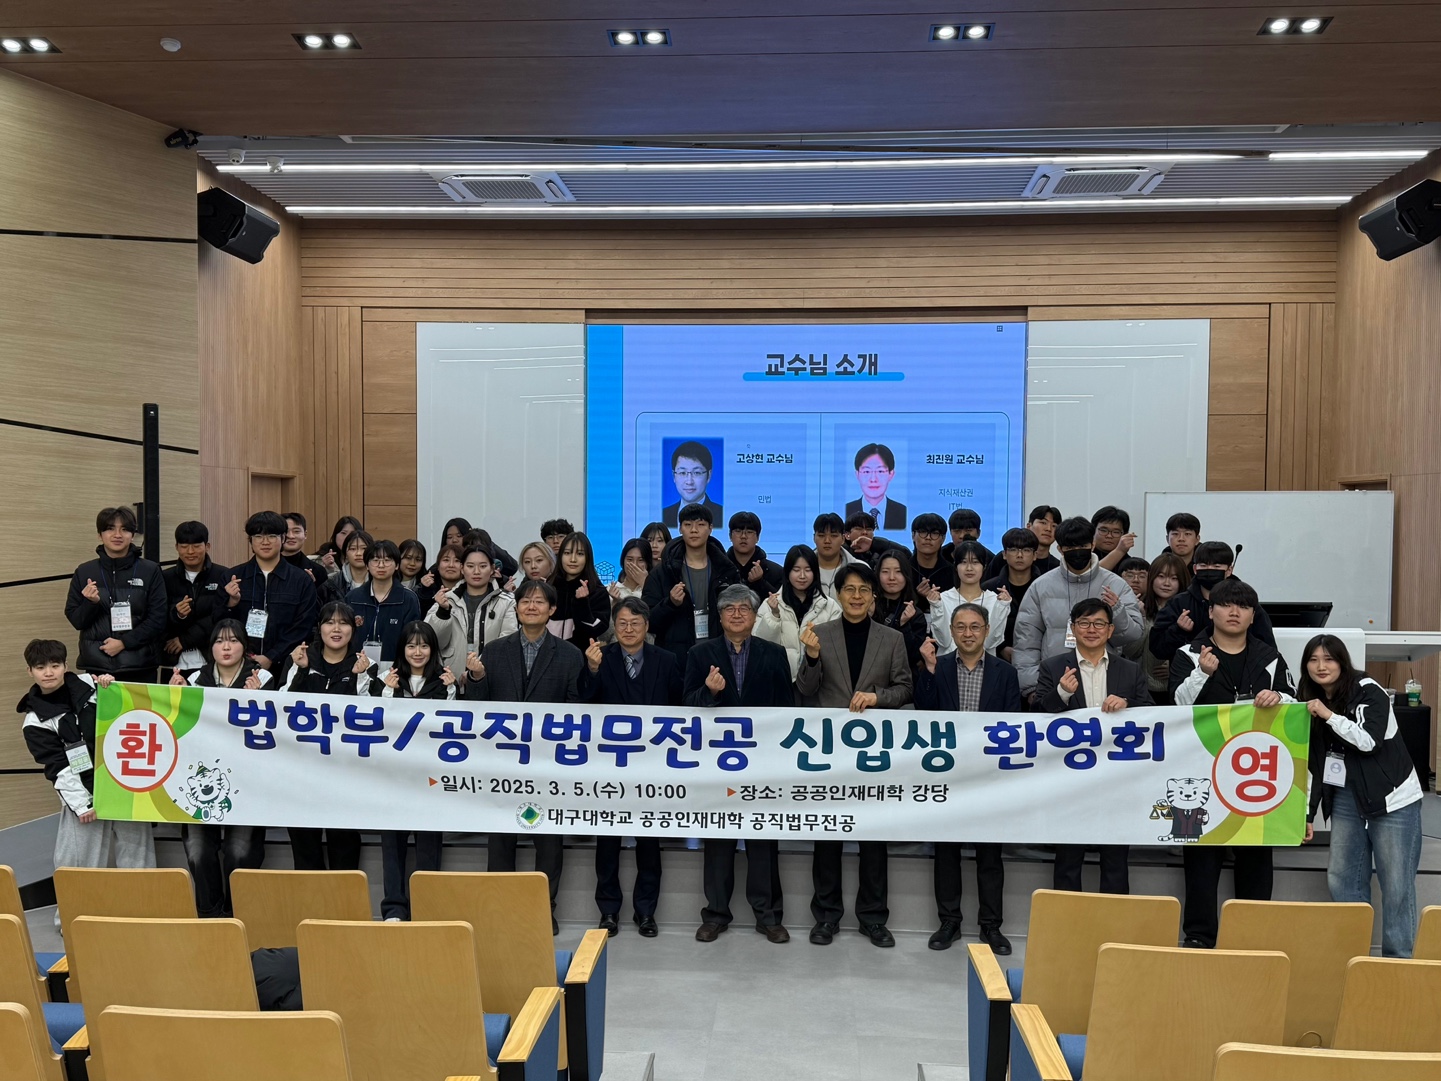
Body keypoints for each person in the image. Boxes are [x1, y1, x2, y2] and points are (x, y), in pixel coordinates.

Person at [1169, 577, 1294, 949]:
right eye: (1225, 605)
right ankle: (1198, 935)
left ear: (1254, 615)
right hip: (1199, 769)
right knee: (1201, 855)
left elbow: (1295, 704)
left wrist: (1279, 698)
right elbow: (1175, 708)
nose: (1234, 612)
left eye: (1243, 606)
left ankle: (1251, 937)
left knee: (1256, 854)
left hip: (1255, 774)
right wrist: (1201, 674)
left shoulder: (1270, 657)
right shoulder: (1189, 653)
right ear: (1211, 612)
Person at [795, 562, 913, 947]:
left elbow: (905, 689)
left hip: (873, 756)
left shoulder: (892, 639)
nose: (857, 596)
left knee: (873, 840)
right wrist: (812, 657)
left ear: (873, 596)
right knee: (827, 838)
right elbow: (805, 690)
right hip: (830, 754)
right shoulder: (819, 634)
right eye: (850, 589)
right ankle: (826, 917)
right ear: (838, 595)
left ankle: (873, 918)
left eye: (864, 589)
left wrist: (878, 698)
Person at [461, 578, 584, 932]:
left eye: (539, 602)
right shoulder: (495, 651)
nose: (531, 606)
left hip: (549, 765)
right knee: (501, 838)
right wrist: (476, 678)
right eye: (525, 601)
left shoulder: (570, 655)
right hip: (504, 763)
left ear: (552, 610)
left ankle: (543, 909)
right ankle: (501, 908)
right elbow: (478, 710)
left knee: (549, 840)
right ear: (516, 608)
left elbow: (576, 710)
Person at [683, 584, 794, 944]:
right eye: (729, 609)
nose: (736, 614)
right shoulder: (700, 653)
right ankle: (716, 914)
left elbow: (787, 710)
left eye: (743, 608)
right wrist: (710, 692)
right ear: (719, 616)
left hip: (762, 764)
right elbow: (686, 707)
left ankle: (768, 916)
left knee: (762, 841)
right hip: (717, 765)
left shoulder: (774, 654)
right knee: (719, 840)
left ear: (754, 615)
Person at [1301, 635, 1423, 957]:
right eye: (1313, 659)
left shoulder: (1368, 689)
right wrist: (1307, 814)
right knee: (1342, 880)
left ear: (1343, 661)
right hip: (1346, 797)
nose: (1321, 666)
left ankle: (1398, 964)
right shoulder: (1310, 698)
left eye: (1329, 659)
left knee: (1396, 886)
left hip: (1393, 798)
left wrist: (1329, 716)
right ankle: (1354, 958)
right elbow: (1313, 762)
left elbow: (1369, 741)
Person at [914, 604, 1022, 953]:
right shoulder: (939, 665)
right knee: (946, 851)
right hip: (948, 775)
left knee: (990, 854)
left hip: (989, 776)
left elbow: (1013, 724)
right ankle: (949, 921)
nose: (968, 633)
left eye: (975, 627)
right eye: (960, 627)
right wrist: (929, 671)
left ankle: (991, 925)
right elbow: (922, 714)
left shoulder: (1006, 673)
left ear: (987, 630)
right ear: (951, 631)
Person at [1035, 599, 1152, 895]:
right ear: (1073, 629)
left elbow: (1152, 714)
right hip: (1069, 779)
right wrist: (1062, 693)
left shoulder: (1130, 670)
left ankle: (1113, 920)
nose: (1092, 629)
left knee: (1115, 861)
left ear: (1110, 630)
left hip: (1117, 779)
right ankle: (1065, 918)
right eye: (1084, 623)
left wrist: (1128, 704)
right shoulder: (1053, 667)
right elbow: (1036, 716)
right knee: (1067, 860)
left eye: (1099, 623)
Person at [583, 597, 682, 937]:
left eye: (635, 623)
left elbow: (681, 709)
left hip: (653, 767)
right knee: (607, 842)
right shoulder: (601, 657)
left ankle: (646, 912)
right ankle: (608, 911)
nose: (628, 629)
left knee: (649, 842)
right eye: (622, 623)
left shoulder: (666, 660)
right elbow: (583, 703)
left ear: (647, 626)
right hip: (609, 765)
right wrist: (591, 670)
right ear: (614, 626)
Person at [21, 639, 154, 874]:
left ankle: (143, 900)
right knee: (78, 867)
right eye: (40, 668)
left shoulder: (91, 685)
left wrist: (113, 687)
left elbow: (129, 716)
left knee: (138, 862)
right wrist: (82, 805)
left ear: (65, 666)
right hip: (84, 795)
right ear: (30, 671)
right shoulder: (34, 721)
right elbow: (57, 767)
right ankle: (76, 904)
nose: (49, 673)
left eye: (55, 665)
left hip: (124, 785)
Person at [167, 619, 269, 916]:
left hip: (247, 781)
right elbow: (178, 726)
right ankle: (210, 917)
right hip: (201, 779)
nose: (226, 647)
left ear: (244, 647)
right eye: (219, 641)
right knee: (197, 851)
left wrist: (260, 699)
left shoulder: (263, 678)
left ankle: (238, 916)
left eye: (233, 640)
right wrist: (175, 696)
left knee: (240, 852)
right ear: (210, 647)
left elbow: (275, 730)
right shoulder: (194, 679)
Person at [285, 602, 378, 870]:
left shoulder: (366, 665)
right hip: (303, 768)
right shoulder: (300, 658)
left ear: (353, 630)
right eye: (329, 622)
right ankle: (309, 897)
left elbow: (373, 716)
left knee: (343, 839)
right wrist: (302, 670)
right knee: (304, 840)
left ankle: (344, 896)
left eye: (343, 623)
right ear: (320, 628)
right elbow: (282, 709)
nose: (336, 629)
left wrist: (360, 677)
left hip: (346, 768)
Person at [377, 621, 456, 921]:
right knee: (392, 846)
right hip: (393, 780)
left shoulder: (445, 683)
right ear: (402, 649)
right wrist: (387, 692)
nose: (418, 652)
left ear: (433, 650)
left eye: (424, 645)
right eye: (411, 646)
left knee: (428, 847)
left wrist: (453, 690)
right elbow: (376, 725)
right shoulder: (386, 681)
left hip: (430, 780)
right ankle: (393, 909)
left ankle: (425, 908)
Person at [1012, 517, 1143, 697]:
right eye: (1070, 548)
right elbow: (1026, 642)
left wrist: (1117, 610)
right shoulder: (1041, 586)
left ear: (1092, 545)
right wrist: (1032, 687)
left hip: (1104, 681)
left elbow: (1134, 635)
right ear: (1060, 549)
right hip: (1054, 682)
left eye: (1082, 546)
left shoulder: (1115, 584)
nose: (1077, 552)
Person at [65, 505, 169, 683]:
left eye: (125, 529)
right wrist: (91, 603)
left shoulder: (150, 570)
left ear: (133, 535)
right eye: (110, 529)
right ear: (100, 535)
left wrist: (124, 643)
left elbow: (158, 619)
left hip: (140, 666)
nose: (117, 535)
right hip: (97, 666)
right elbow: (76, 620)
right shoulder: (85, 571)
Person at [641, 504, 740, 667]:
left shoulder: (726, 571)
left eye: (700, 525)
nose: (694, 530)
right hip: (676, 660)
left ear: (711, 528)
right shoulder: (662, 573)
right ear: (680, 529)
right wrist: (670, 604)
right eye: (688, 525)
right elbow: (647, 622)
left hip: (719, 657)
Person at [227, 511, 320, 676]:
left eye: (271, 536)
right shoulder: (234, 577)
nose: (265, 542)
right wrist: (230, 604)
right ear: (250, 541)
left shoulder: (301, 580)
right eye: (258, 536)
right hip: (240, 664)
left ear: (283, 538)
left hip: (287, 665)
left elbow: (304, 626)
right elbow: (219, 622)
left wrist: (272, 656)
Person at [1150, 541, 1275, 663]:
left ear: (1229, 570)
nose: (1209, 570)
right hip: (1189, 673)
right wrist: (1178, 630)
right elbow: (1157, 649)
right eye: (1203, 566)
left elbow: (1267, 650)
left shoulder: (1246, 604)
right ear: (1195, 569)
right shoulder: (1179, 603)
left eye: (1216, 567)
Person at [426, 543, 517, 674]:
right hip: (450, 676)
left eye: (483, 566)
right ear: (462, 569)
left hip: (490, 675)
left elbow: (508, 642)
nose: (476, 572)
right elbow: (432, 641)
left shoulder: (506, 602)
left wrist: (476, 670)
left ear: (492, 569)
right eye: (470, 566)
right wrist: (443, 612)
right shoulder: (447, 599)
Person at [756, 544, 843, 679]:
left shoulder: (830, 607)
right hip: (779, 680)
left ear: (815, 572)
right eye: (796, 570)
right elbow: (759, 645)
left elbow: (837, 649)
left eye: (808, 570)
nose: (802, 576)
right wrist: (774, 616)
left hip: (818, 681)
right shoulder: (770, 604)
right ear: (787, 572)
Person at [162, 520, 230, 678]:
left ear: (207, 546)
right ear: (176, 547)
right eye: (184, 546)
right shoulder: (164, 577)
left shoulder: (223, 575)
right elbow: (157, 616)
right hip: (172, 660)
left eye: (197, 546)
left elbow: (221, 616)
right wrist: (177, 614)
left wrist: (185, 640)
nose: (190, 551)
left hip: (212, 658)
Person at [346, 539, 423, 668]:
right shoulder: (353, 598)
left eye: (387, 560)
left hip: (395, 668)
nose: (381, 565)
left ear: (397, 565)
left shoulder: (408, 599)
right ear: (367, 565)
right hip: (357, 666)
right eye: (375, 560)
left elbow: (412, 639)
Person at [925, 540, 1006, 657]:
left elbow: (990, 643)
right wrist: (936, 606)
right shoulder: (943, 599)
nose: (969, 568)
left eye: (975, 562)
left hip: (984, 665)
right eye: (963, 562)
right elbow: (943, 641)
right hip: (948, 664)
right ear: (956, 566)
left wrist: (1002, 607)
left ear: (984, 566)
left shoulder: (996, 600)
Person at [981, 527, 1040, 665]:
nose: (1019, 555)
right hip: (996, 659)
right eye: (1013, 550)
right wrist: (1001, 647)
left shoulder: (1044, 586)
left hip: (1037, 658)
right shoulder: (989, 589)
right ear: (1004, 554)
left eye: (1026, 550)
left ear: (1035, 555)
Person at [1138, 553, 1190, 701]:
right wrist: (1141, 617)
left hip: (1175, 687)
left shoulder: (1188, 611)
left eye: (1174, 578)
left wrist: (1176, 665)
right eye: (1161, 576)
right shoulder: (1139, 606)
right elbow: (1130, 650)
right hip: (1141, 686)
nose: (1167, 583)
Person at [547, 532, 610, 652]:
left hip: (581, 657)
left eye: (580, 554)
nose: (573, 559)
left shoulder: (597, 591)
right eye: (567, 553)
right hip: (547, 655)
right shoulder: (549, 587)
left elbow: (597, 628)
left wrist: (581, 603)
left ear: (588, 558)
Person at [874, 550, 930, 670]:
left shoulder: (915, 613)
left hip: (901, 676)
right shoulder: (868, 607)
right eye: (885, 571)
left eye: (898, 571)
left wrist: (904, 626)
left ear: (906, 575)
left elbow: (914, 657)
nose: (892, 577)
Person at [984, 505, 1061, 579]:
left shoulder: (1058, 567)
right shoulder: (1005, 558)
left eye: (1054, 526)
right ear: (1029, 526)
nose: (1048, 529)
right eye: (1043, 523)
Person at [283, 512, 338, 608]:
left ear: (305, 534)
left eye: (296, 531)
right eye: (286, 531)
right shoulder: (268, 568)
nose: (291, 536)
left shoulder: (318, 571)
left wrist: (310, 587)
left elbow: (324, 607)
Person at [662, 442, 723, 528]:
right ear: (674, 476)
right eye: (682, 473)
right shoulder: (664, 515)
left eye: (697, 473)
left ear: (709, 475)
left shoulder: (722, 515)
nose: (689, 481)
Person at [845, 443, 906, 528]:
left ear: (891, 474)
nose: (873, 479)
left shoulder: (903, 512)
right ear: (857, 474)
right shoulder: (846, 511)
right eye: (866, 471)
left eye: (880, 471)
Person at [727, 512, 783, 599]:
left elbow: (781, 604)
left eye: (749, 532)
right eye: (738, 531)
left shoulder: (777, 572)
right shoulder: (719, 568)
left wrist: (760, 582)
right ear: (730, 536)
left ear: (757, 537)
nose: (743, 536)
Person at [811, 512, 863, 598]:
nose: (827, 541)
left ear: (843, 539)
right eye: (821, 535)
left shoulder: (860, 569)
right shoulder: (802, 570)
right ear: (814, 538)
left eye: (834, 536)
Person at [909, 513, 956, 594]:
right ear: (913, 536)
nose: (928, 538)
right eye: (923, 532)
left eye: (934, 533)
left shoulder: (953, 573)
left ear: (943, 539)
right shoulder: (904, 570)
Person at [415, 543, 464, 614]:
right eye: (446, 560)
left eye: (457, 561)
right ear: (438, 566)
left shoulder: (470, 590)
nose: (451, 565)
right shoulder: (424, 589)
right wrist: (424, 591)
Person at [327, 529, 372, 597]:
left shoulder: (381, 581)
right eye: (353, 549)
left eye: (364, 549)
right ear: (345, 554)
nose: (358, 553)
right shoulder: (331, 583)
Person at [1092, 506, 1137, 572]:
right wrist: (1119, 551)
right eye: (1103, 530)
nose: (1109, 536)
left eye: (1116, 532)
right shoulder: (1082, 556)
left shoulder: (1130, 564)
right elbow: (1091, 575)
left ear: (1125, 534)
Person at [608, 538, 651, 603]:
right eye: (630, 560)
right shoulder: (612, 590)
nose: (634, 564)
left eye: (640, 560)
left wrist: (645, 584)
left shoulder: (655, 590)